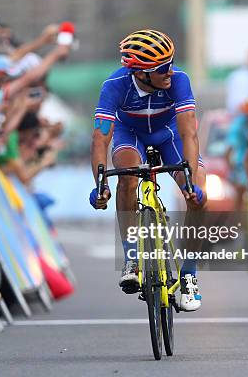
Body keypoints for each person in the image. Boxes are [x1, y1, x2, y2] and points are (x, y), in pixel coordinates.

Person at [89, 29, 206, 311]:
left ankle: (189, 275)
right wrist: (100, 185)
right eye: (162, 67)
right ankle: (131, 256)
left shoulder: (178, 80)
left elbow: (189, 133)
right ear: (141, 73)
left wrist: (190, 183)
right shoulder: (115, 85)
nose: (170, 71)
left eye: (171, 62)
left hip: (170, 136)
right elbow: (101, 138)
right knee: (127, 178)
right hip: (132, 136)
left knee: (201, 198)